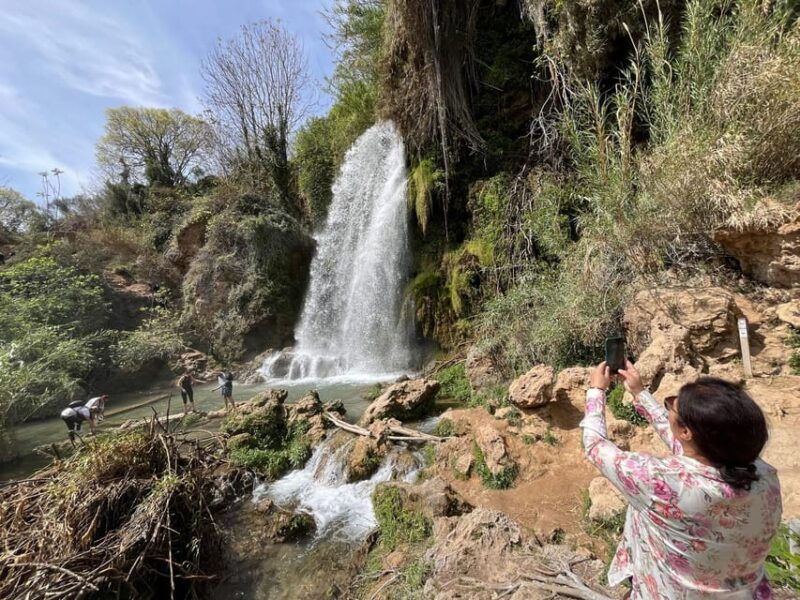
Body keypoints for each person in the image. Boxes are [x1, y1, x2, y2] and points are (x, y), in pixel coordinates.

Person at [581, 360, 781, 598]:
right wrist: (639, 393)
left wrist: (596, 390)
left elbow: (595, 446)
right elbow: (692, 444)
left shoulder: (660, 481)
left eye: (672, 405)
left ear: (687, 431)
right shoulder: (764, 475)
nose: (670, 406)